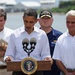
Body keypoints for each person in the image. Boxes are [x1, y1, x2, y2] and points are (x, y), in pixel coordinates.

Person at [4, 8, 53, 75]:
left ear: (36, 21)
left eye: (31, 22)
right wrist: (8, 59)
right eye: (26, 21)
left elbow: (45, 54)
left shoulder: (42, 34)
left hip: (37, 70)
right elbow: (9, 54)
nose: (28, 25)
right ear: (22, 19)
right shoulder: (14, 34)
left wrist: (47, 59)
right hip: (18, 71)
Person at [38, 10, 62, 75]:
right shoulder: (33, 36)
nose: (45, 21)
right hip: (38, 71)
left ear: (52, 20)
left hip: (55, 71)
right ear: (38, 20)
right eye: (43, 18)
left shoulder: (60, 36)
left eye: (48, 18)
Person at [53, 10, 75, 75]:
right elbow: (57, 59)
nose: (70, 25)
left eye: (73, 22)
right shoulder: (60, 39)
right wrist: (66, 73)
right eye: (68, 22)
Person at [0, 9, 13, 75]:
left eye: (1, 21)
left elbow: (15, 51)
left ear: (5, 20)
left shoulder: (12, 34)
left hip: (7, 70)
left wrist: (2, 45)